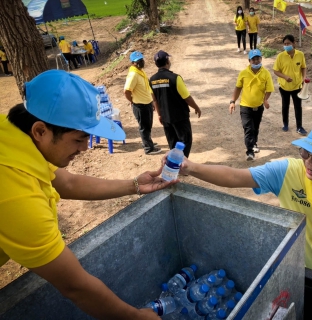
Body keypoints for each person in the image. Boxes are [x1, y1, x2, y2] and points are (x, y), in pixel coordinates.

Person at [173, 119, 312, 318]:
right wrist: (190, 167)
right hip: (294, 272)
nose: (309, 162)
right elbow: (235, 175)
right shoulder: (288, 172)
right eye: (306, 152)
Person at [0, 70, 176, 319]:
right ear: (40, 131)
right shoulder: (16, 197)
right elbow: (75, 286)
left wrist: (135, 185)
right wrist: (136, 317)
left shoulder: (15, 136)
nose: (84, 148)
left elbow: (68, 183)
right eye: (79, 139)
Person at [149, 50, 201, 158]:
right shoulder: (175, 78)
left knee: (172, 141)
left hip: (165, 117)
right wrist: (196, 107)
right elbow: (187, 97)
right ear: (167, 61)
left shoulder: (152, 80)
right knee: (185, 140)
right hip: (180, 116)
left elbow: (155, 100)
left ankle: (174, 164)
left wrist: (159, 114)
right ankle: (182, 164)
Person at [229, 49, 274, 161]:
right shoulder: (243, 73)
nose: (256, 61)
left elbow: (269, 89)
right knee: (248, 128)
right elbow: (238, 88)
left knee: (255, 127)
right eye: (253, 59)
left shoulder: (266, 73)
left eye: (258, 58)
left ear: (261, 59)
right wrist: (232, 101)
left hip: (259, 107)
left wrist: (265, 100)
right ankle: (249, 152)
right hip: (245, 106)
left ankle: (254, 144)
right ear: (249, 60)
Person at [124, 51, 162, 155]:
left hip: (147, 103)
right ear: (133, 63)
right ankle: (148, 148)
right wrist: (132, 101)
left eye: (141, 60)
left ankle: (148, 143)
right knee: (144, 127)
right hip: (140, 105)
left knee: (148, 125)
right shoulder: (133, 75)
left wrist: (152, 102)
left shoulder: (140, 71)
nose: (140, 62)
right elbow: (126, 91)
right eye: (137, 61)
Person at [273, 34, 307, 135]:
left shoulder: (300, 54)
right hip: (284, 86)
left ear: (294, 43)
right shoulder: (280, 56)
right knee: (285, 105)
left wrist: (304, 77)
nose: (286, 45)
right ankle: (285, 124)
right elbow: (276, 71)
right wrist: (285, 77)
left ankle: (299, 127)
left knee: (298, 106)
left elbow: (303, 67)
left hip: (297, 86)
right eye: (285, 44)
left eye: (288, 43)